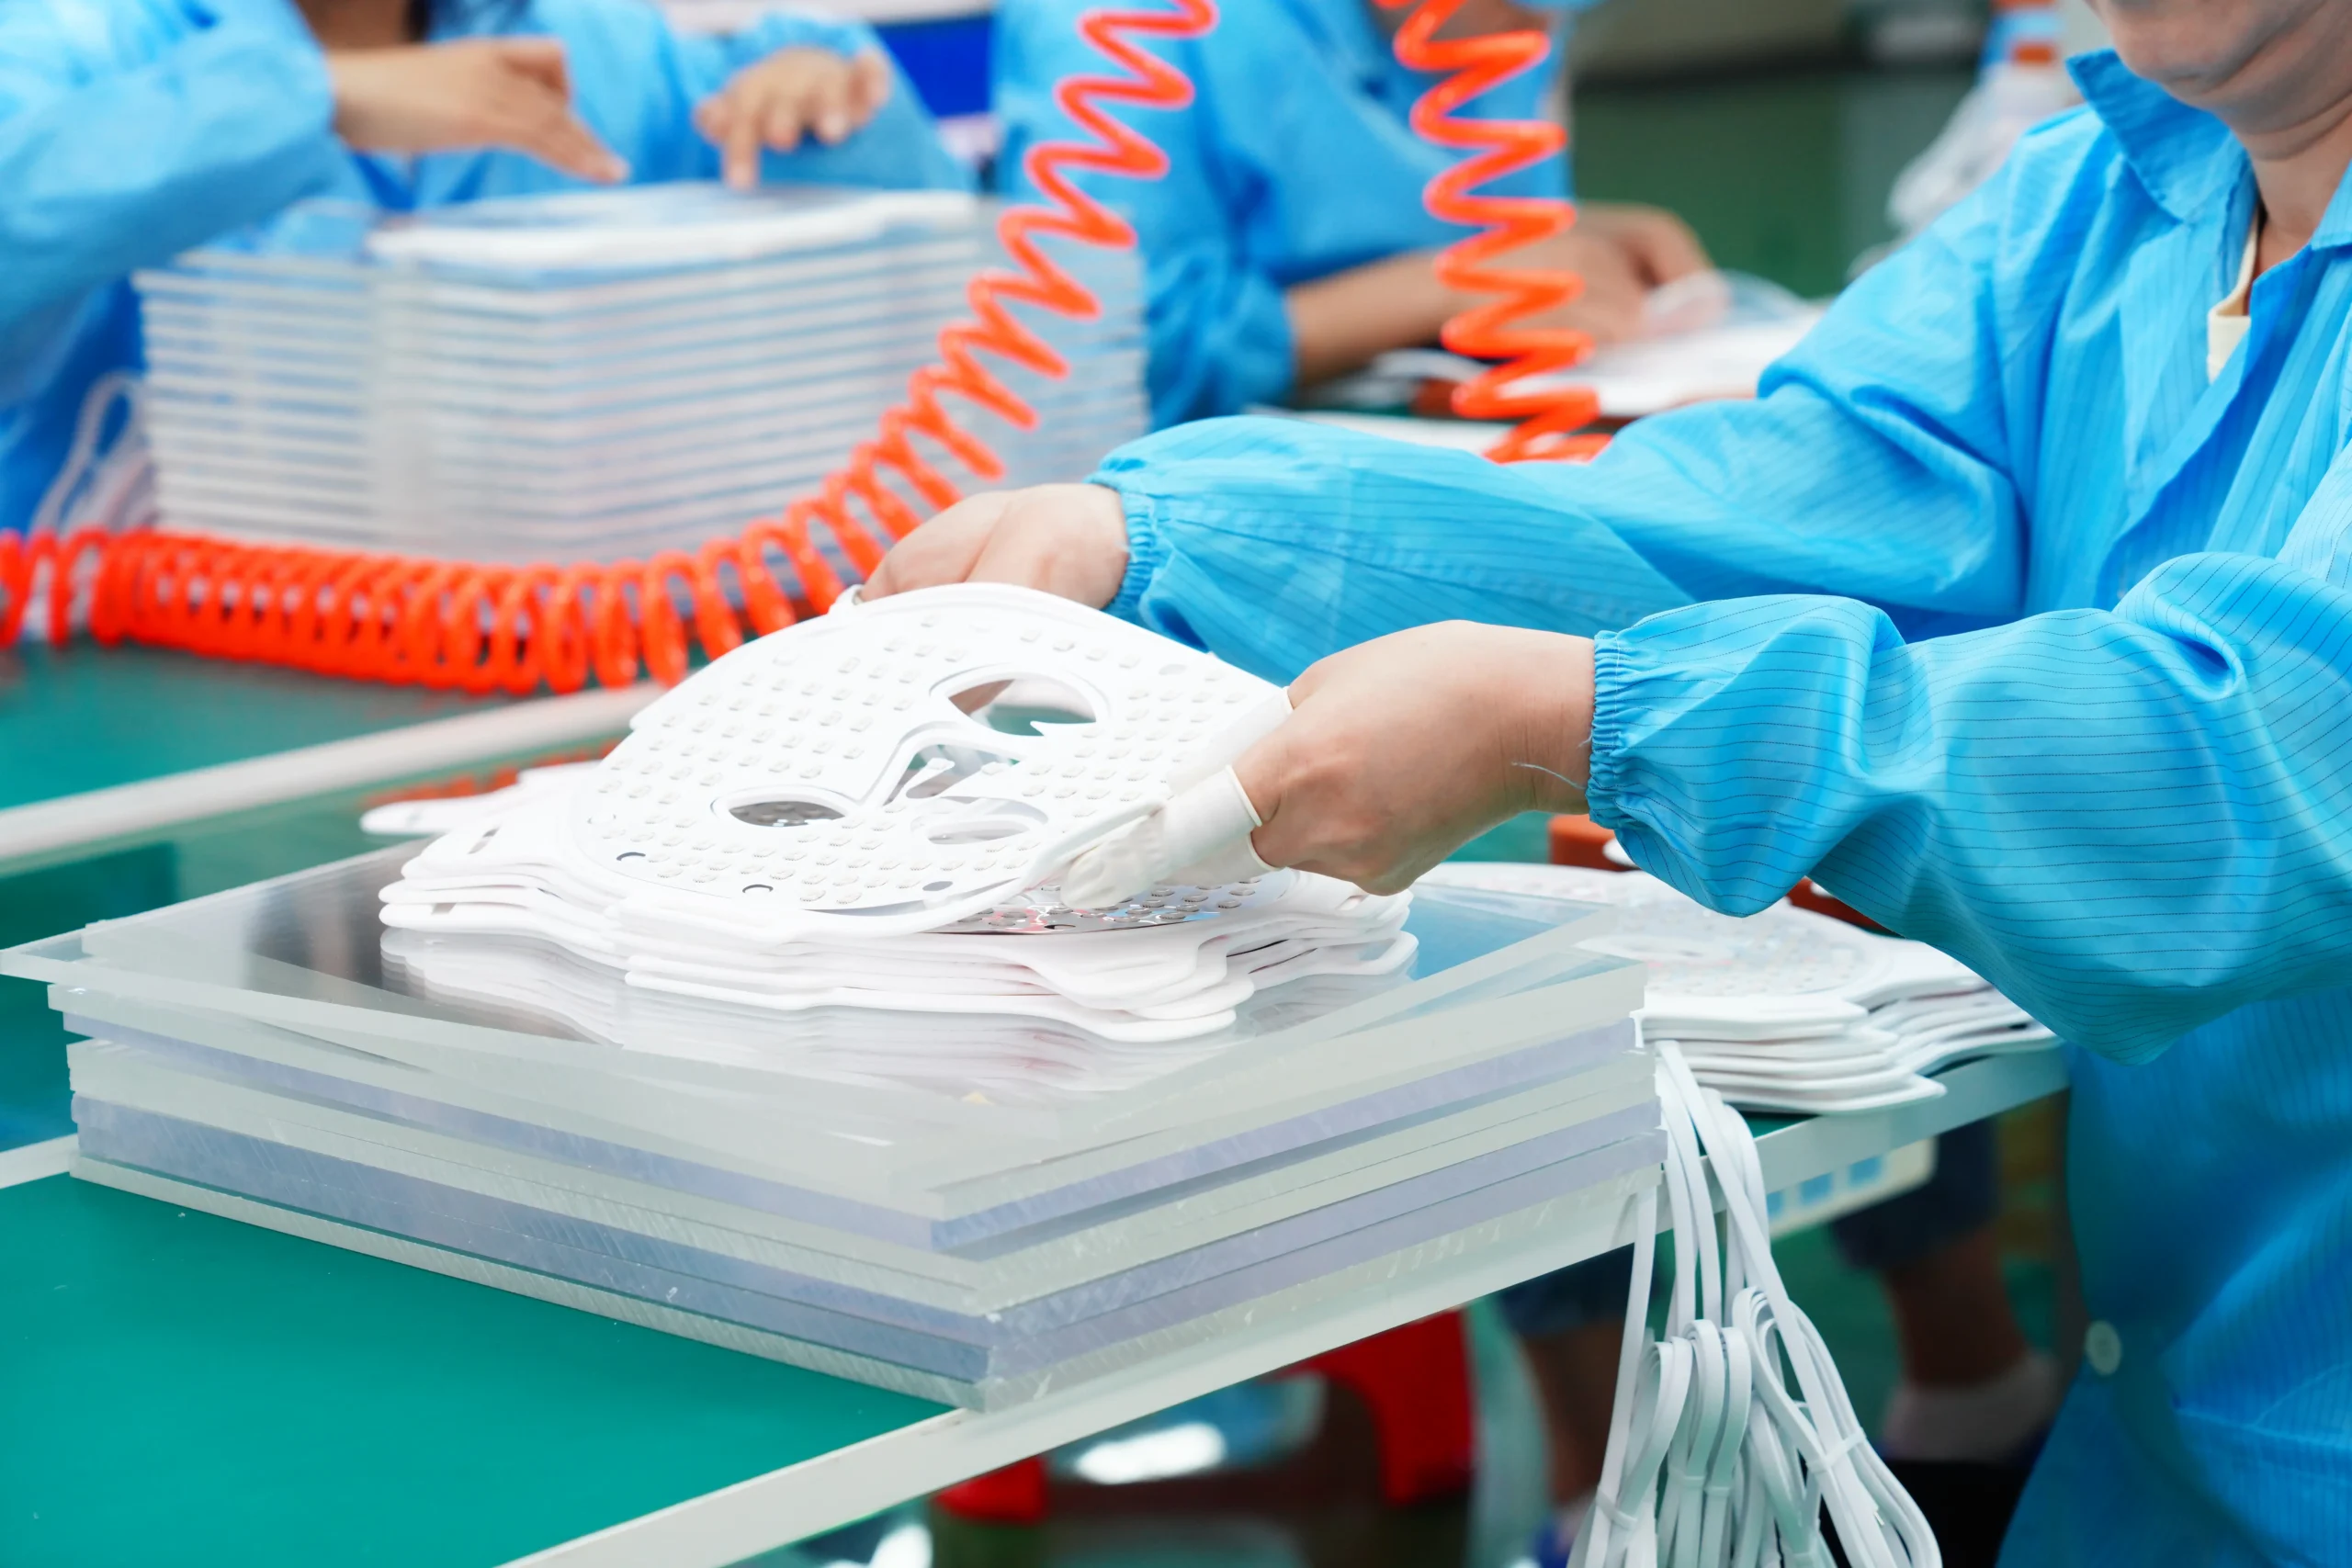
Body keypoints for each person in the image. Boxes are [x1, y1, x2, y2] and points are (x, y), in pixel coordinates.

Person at [866, 0, 2352, 1557]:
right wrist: (1163, 541)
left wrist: (1581, 717)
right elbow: (1733, 519)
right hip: (2165, 1445)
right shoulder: (2106, 207)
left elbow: (2242, 765)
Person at [0, 0, 968, 536]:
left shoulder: (599, 44)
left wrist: (825, 116)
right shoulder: (76, 44)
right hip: (130, 669)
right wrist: (303, 101)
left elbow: (917, 303)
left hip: (545, 655)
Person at [990, 0, 1710, 428]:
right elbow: (1105, 361)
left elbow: (1449, 199)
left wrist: (1564, 242)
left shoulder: (1506, 22)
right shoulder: (1120, 29)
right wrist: (1447, 284)